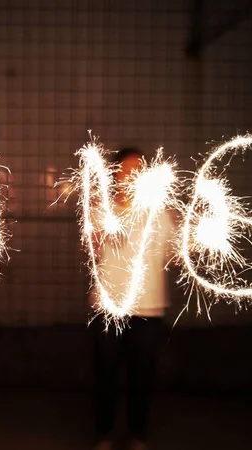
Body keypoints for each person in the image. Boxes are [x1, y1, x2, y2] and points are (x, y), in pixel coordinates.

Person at [90, 147, 175, 450]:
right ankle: (104, 436)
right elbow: (91, 251)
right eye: (125, 170)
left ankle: (138, 436)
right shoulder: (101, 211)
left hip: (148, 310)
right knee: (105, 376)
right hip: (108, 308)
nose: (131, 176)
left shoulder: (159, 215)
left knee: (142, 378)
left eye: (137, 170)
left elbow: (175, 254)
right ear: (114, 175)